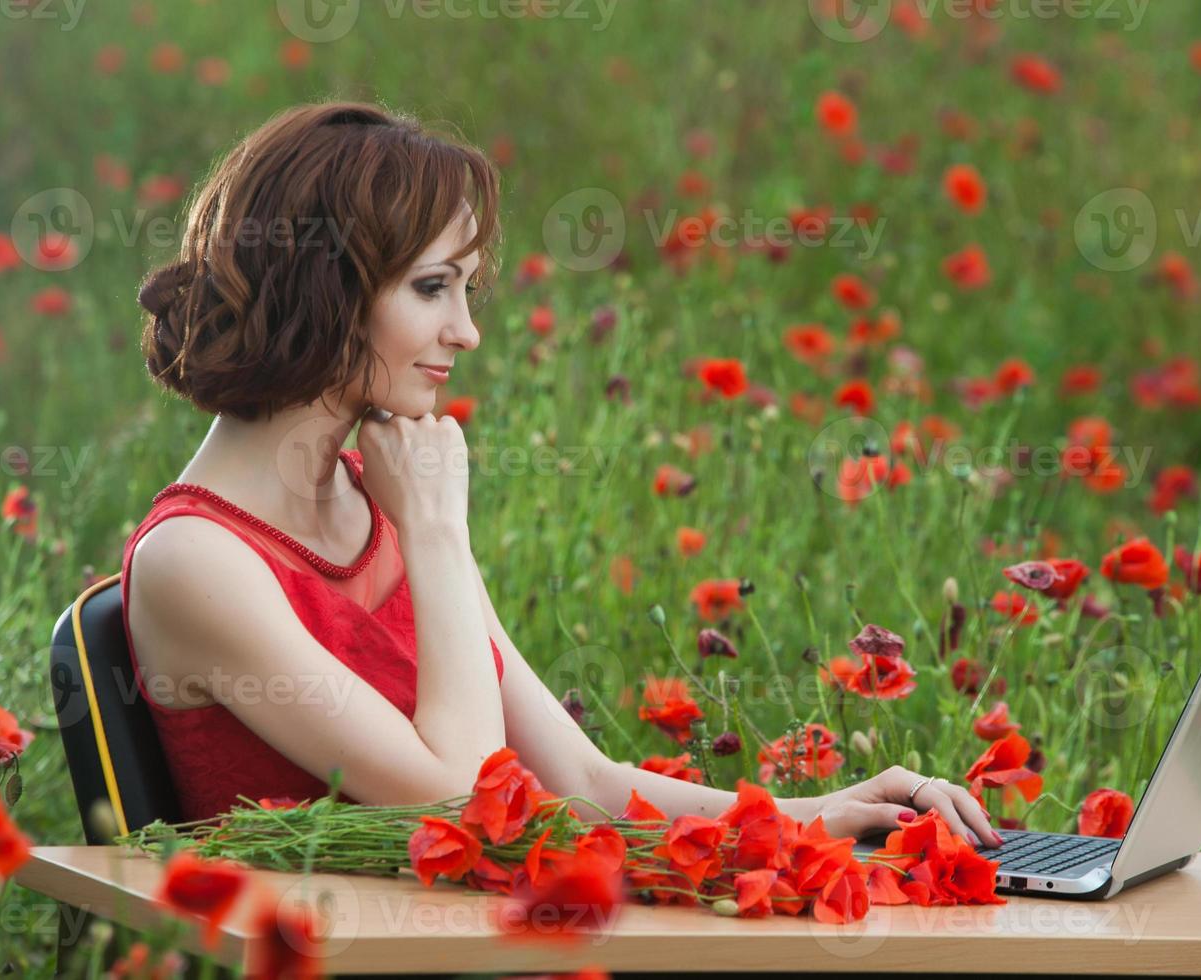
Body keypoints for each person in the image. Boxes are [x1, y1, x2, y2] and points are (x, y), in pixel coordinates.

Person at [121, 100, 1001, 848]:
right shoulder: (197, 559)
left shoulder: (377, 496)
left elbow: (577, 778)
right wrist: (433, 535)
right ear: (324, 285)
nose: (466, 332)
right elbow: (459, 803)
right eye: (432, 288)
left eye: (467, 290)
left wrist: (822, 819)